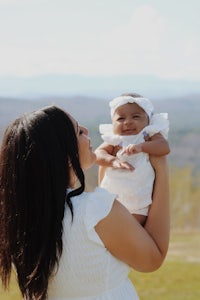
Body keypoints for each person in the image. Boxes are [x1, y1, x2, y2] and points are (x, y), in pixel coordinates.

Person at [0, 105, 170, 300]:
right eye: (79, 131)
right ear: (61, 152)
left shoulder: (18, 218)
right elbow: (152, 258)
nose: (87, 131)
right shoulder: (94, 210)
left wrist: (108, 169)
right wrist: (161, 170)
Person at [95, 93, 170, 225]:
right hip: (112, 196)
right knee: (109, 225)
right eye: (121, 119)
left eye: (136, 117)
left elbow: (164, 147)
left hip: (138, 200)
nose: (128, 122)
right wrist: (112, 161)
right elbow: (98, 154)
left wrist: (142, 147)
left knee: (133, 226)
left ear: (148, 120)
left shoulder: (148, 134)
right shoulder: (115, 140)